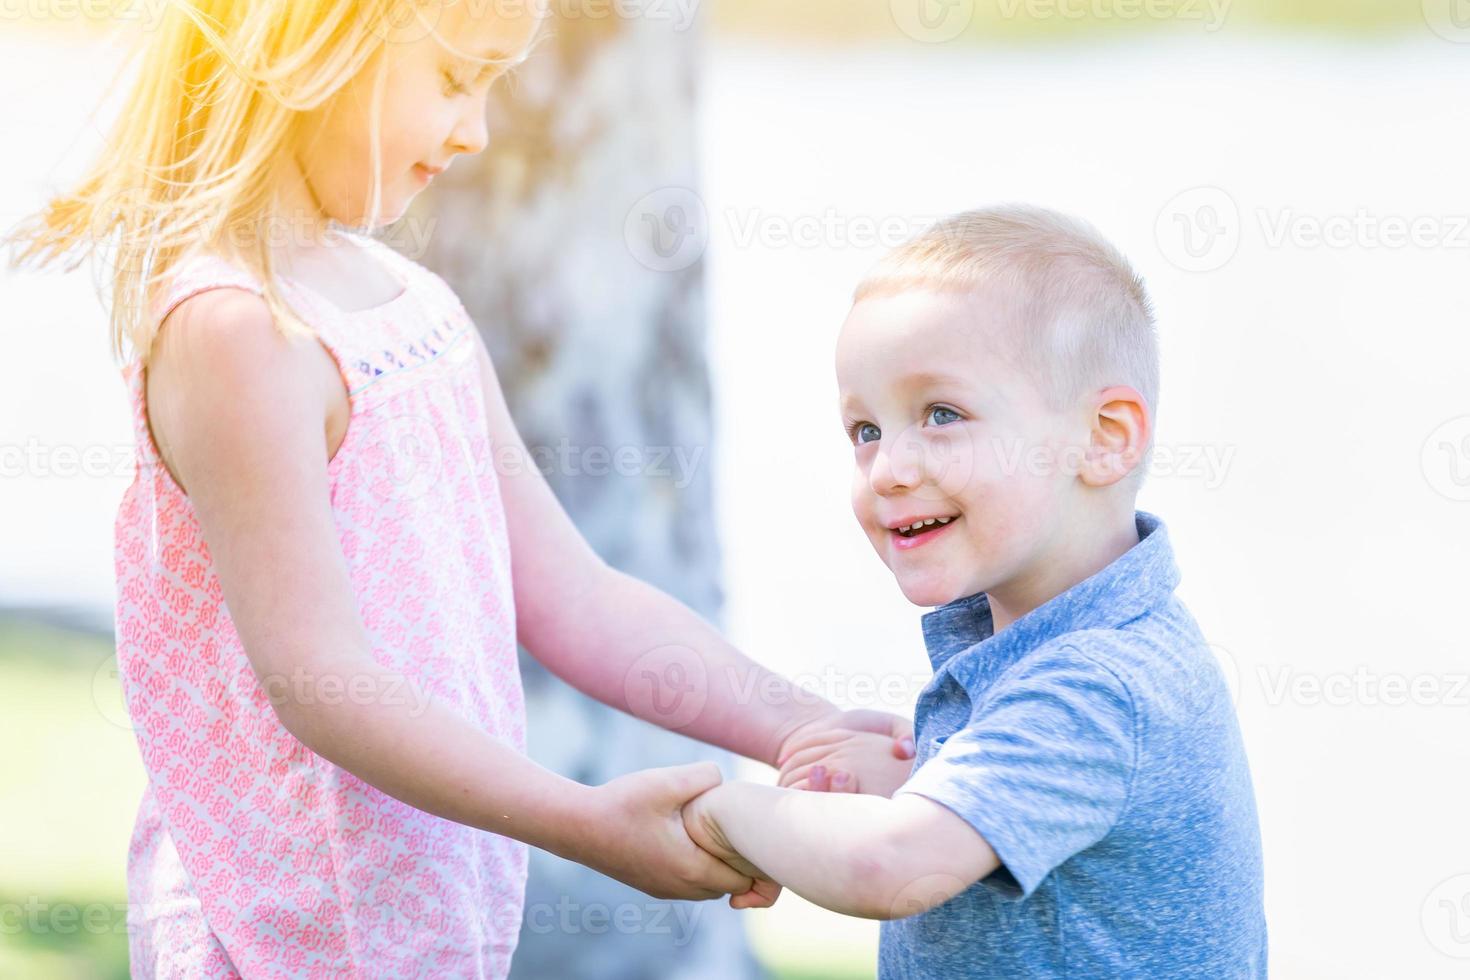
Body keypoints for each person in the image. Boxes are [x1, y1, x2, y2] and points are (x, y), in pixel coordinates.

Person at [3, 1, 911, 976]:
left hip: (428, 927)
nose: (475, 129)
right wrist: (584, 820)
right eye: (451, 80)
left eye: (492, 85)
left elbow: (578, 595)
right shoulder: (238, 333)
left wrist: (797, 728)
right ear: (317, 44)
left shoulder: (416, 309)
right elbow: (324, 685)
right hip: (277, 935)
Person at [686, 205, 1268, 978]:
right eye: (865, 430)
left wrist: (727, 813)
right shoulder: (1093, 645)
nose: (889, 466)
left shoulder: (1097, 685)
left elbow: (890, 869)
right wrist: (925, 776)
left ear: (1104, 437)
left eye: (941, 414)